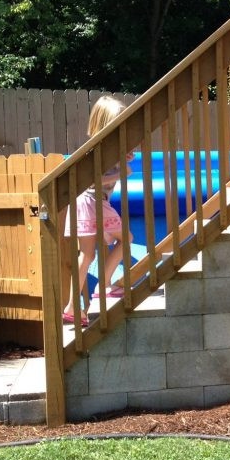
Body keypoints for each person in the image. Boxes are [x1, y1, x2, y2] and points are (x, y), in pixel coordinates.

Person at [62, 95, 133, 326]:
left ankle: (74, 306)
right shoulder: (95, 148)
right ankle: (103, 286)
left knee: (88, 255)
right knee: (126, 239)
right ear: (104, 123)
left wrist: (123, 159)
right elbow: (93, 180)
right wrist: (120, 173)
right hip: (92, 201)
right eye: (116, 121)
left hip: (88, 203)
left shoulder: (105, 148)